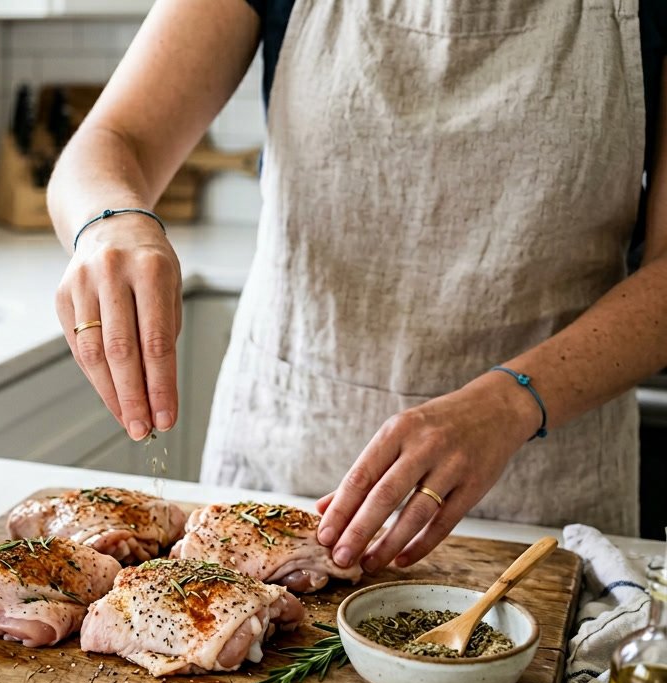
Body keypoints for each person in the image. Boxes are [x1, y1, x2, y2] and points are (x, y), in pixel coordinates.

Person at [47, 0, 667, 575]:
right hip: (285, 457)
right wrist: (109, 223)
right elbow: (108, 142)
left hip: (544, 482)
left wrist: (511, 403)